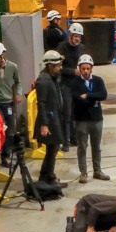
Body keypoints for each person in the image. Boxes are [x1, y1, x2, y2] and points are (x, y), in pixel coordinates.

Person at [70, 54, 110, 183]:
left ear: (91, 68)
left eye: (88, 68)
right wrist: (93, 99)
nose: (86, 71)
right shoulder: (75, 82)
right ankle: (83, 172)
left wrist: (87, 95)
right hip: (82, 120)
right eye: (83, 69)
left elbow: (103, 95)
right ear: (79, 69)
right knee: (82, 146)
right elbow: (76, 99)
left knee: (96, 146)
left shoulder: (98, 81)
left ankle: (97, 171)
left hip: (96, 119)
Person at [34, 51, 68, 189]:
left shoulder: (52, 78)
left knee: (53, 149)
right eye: (57, 65)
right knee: (52, 149)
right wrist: (44, 124)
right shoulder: (43, 80)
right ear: (49, 66)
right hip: (49, 121)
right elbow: (41, 103)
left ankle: (45, 177)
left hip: (54, 119)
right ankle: (49, 178)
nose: (60, 67)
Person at [57, 22, 86, 144]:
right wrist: (73, 71)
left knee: (77, 112)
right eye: (75, 36)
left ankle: (74, 138)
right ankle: (65, 140)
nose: (77, 38)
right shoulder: (61, 48)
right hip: (66, 84)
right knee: (67, 113)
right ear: (70, 35)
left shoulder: (81, 48)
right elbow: (59, 68)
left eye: (79, 36)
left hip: (78, 85)